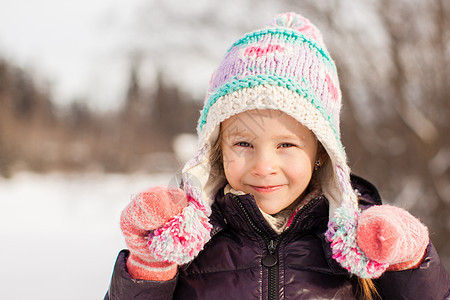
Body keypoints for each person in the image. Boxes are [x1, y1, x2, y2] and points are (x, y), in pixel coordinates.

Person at [105, 12, 450, 299]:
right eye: (243, 144)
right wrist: (149, 267)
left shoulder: (360, 245)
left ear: (321, 152)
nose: (264, 166)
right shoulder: (187, 243)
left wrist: (411, 262)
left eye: (286, 145)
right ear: (216, 149)